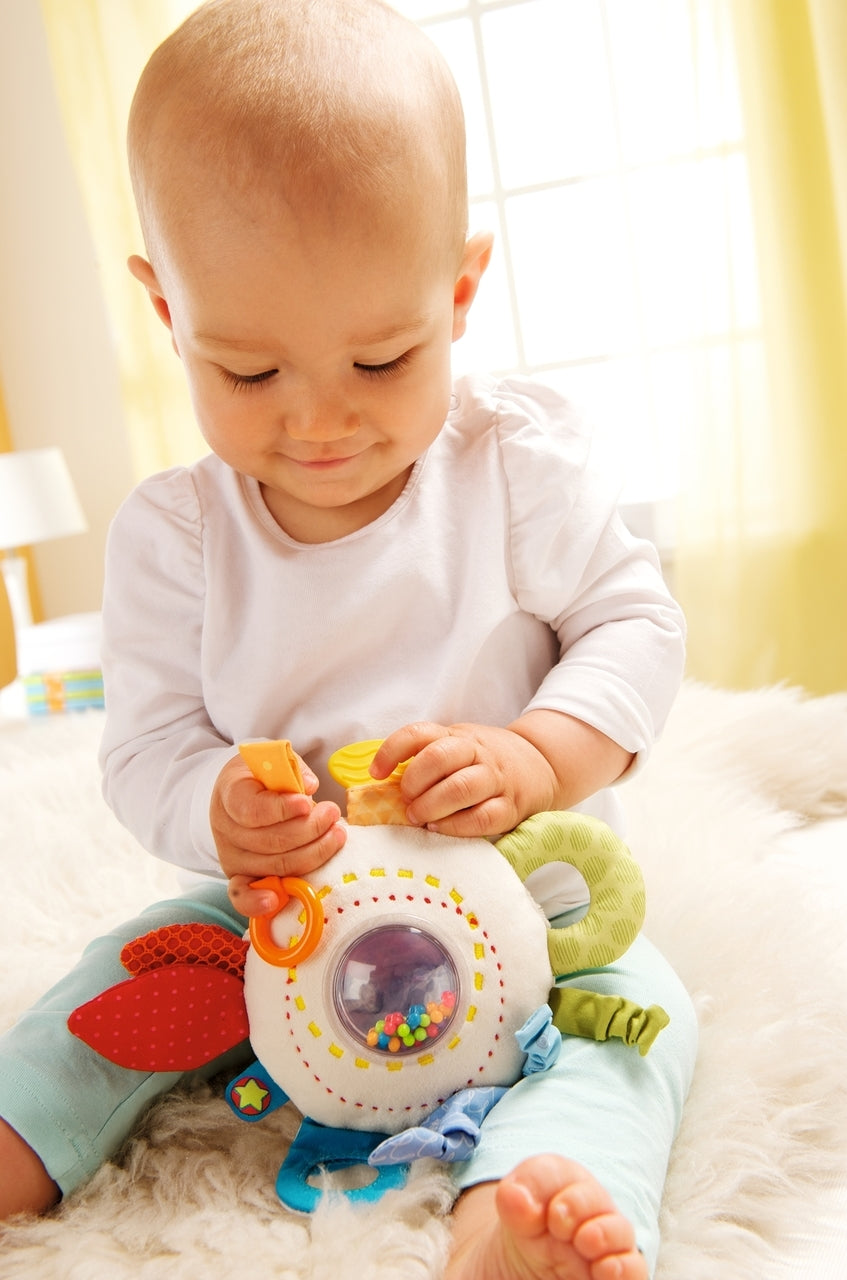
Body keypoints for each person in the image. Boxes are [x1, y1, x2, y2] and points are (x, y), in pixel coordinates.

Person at [0, 2, 698, 1276]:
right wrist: (218, 804)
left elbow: (635, 625)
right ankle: (20, 1132)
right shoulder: (177, 536)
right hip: (281, 914)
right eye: (249, 373)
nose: (319, 421)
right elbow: (147, 743)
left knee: (636, 1022)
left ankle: (520, 1208)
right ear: (167, 314)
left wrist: (537, 755)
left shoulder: (510, 466)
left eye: (382, 357)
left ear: (459, 293)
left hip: (521, 898)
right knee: (121, 977)